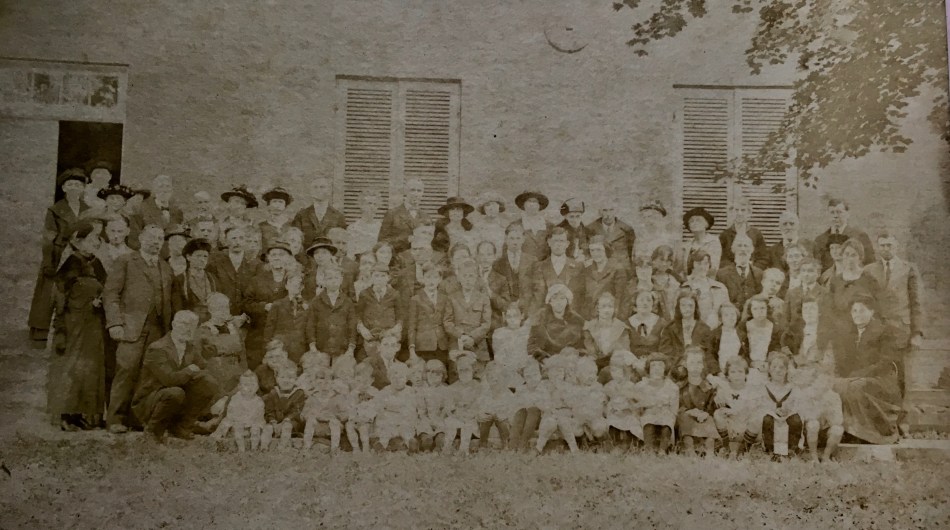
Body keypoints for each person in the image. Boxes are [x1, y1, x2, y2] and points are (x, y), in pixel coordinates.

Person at [103, 224, 174, 433]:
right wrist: (115, 322)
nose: (156, 242)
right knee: (126, 370)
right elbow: (111, 294)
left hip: (157, 329)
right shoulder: (125, 261)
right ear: (141, 238)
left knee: (149, 375)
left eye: (160, 239)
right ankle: (115, 419)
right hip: (130, 327)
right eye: (152, 237)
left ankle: (137, 419)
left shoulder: (165, 267)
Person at [47, 220, 107, 431]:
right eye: (91, 239)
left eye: (97, 239)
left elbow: (105, 289)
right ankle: (64, 415)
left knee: (90, 368)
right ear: (78, 241)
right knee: (70, 367)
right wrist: (61, 327)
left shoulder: (97, 264)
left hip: (93, 324)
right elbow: (60, 298)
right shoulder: (71, 263)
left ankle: (80, 414)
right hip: (74, 326)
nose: (95, 243)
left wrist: (100, 301)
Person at [131, 310, 219, 443]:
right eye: (184, 324)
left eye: (192, 326)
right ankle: (153, 431)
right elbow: (169, 380)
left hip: (175, 395)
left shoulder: (190, 347)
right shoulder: (158, 348)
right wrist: (189, 370)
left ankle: (182, 427)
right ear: (173, 324)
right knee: (175, 392)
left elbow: (202, 366)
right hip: (150, 400)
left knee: (208, 383)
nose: (188, 329)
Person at [830, 295, 903, 444]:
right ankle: (848, 430)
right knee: (837, 385)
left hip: (881, 379)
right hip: (856, 378)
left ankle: (872, 433)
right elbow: (844, 362)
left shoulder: (884, 332)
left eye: (862, 311)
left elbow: (886, 362)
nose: (857, 315)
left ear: (872, 311)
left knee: (855, 386)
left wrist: (858, 375)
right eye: (854, 311)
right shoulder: (850, 334)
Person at [29, 168, 90, 341]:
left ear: (83, 188)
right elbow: (48, 238)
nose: (74, 188)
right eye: (70, 185)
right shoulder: (55, 210)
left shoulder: (88, 210)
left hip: (79, 256)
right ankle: (40, 333)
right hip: (58, 255)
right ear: (63, 188)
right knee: (49, 294)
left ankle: (67, 331)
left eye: (78, 185)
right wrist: (48, 262)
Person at [863, 231, 923, 348]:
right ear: (877, 247)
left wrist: (917, 333)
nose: (886, 249)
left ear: (897, 246)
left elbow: (916, 303)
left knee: (899, 364)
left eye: (889, 245)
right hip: (876, 329)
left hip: (901, 329)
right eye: (882, 245)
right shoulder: (868, 270)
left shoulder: (909, 269)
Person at [243, 239, 296, 369]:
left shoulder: (294, 280)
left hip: (284, 333)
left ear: (288, 258)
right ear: (268, 258)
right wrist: (264, 306)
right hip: (259, 333)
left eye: (281, 254)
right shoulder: (257, 280)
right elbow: (245, 303)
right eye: (274, 255)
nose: (277, 258)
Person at [744, 352, 802, 458]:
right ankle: (769, 449)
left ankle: (791, 450)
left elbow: (798, 406)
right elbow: (757, 407)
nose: (778, 370)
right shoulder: (763, 387)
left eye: (781, 367)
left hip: (787, 423)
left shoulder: (793, 388)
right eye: (774, 367)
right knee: (767, 419)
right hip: (769, 424)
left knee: (796, 419)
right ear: (769, 369)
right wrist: (772, 411)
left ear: (786, 370)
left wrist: (787, 410)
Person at [443, 258, 492, 368]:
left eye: (471, 276)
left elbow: (486, 324)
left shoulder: (483, 298)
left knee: (478, 378)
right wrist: (461, 336)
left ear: (476, 278)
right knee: (457, 378)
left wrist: (472, 337)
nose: (468, 280)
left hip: (478, 346)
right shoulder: (452, 298)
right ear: (459, 278)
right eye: (465, 276)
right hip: (457, 344)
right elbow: (447, 322)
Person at [196, 293, 247, 397]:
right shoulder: (203, 330)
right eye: (220, 308)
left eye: (226, 307)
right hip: (218, 375)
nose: (225, 311)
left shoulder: (234, 328)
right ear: (210, 310)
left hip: (237, 372)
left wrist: (245, 374)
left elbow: (242, 354)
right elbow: (204, 356)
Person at [791, 363, 844, 462]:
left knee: (838, 429)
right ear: (815, 381)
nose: (825, 384)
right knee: (813, 424)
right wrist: (820, 409)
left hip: (825, 432)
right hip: (808, 433)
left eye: (828, 381)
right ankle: (813, 456)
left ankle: (826, 457)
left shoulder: (834, 396)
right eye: (821, 381)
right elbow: (805, 416)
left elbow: (838, 420)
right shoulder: (807, 394)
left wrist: (828, 411)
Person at [827, 239, 882, 334]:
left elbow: (879, 307)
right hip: (840, 331)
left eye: (853, 255)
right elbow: (830, 308)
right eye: (846, 254)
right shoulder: (835, 281)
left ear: (860, 258)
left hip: (864, 331)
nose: (849, 259)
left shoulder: (869, 279)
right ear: (842, 256)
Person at [305, 264, 358, 361]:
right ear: (324, 281)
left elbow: (352, 325)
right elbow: (310, 324)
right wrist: (313, 347)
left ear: (341, 280)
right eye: (329, 278)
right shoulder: (316, 301)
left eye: (336, 278)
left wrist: (350, 349)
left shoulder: (347, 301)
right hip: (321, 349)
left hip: (342, 350)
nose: (333, 281)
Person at [529, 227, 586, 316]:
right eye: (555, 241)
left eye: (561, 241)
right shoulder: (539, 267)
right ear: (549, 242)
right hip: (546, 318)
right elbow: (538, 297)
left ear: (567, 244)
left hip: (571, 318)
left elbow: (579, 296)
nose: (558, 244)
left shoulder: (578, 266)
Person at [207, 226, 261, 315]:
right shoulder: (215, 262)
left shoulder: (256, 264)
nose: (237, 242)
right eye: (233, 238)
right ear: (226, 241)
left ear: (245, 241)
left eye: (241, 238)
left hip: (248, 316)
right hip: (222, 314)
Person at [677, 347, 719, 456]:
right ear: (685, 364)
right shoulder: (681, 386)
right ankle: (689, 450)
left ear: (703, 365)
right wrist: (689, 411)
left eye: (698, 362)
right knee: (684, 418)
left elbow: (711, 405)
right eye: (692, 362)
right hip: (687, 415)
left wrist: (706, 413)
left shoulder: (707, 386)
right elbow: (678, 404)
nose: (695, 366)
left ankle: (710, 451)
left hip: (702, 417)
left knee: (709, 420)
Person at [709, 356, 754, 458]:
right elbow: (715, 384)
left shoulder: (750, 389)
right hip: (731, 429)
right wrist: (718, 399)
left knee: (757, 418)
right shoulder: (724, 388)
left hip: (745, 427)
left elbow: (751, 409)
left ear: (746, 374)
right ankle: (726, 445)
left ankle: (744, 448)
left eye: (740, 372)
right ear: (727, 375)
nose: (736, 376)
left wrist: (735, 411)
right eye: (733, 372)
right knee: (717, 414)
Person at [210, 370, 266, 452]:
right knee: (235, 427)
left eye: (253, 385)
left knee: (256, 429)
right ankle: (241, 449)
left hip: (252, 424)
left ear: (257, 387)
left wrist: (250, 423)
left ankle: (254, 449)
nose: (250, 388)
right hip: (237, 423)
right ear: (239, 387)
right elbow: (231, 414)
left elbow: (258, 416)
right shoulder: (236, 399)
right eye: (246, 385)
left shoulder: (259, 401)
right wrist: (240, 422)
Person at [634, 353, 679, 454]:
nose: (657, 369)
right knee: (648, 424)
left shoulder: (672, 387)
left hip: (665, 413)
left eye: (660, 366)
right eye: (653, 366)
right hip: (649, 413)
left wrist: (670, 415)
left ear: (665, 369)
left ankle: (663, 450)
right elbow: (637, 405)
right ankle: (649, 449)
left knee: (667, 424)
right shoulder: (641, 386)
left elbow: (674, 409)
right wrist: (645, 406)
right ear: (648, 369)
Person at [814, 198, 875, 271]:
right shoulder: (820, 240)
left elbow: (870, 265)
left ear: (848, 214)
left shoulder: (859, 236)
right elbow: (817, 267)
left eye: (839, 212)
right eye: (832, 212)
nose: (835, 216)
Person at [528, 284, 585, 362]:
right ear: (550, 301)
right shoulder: (541, 317)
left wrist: (573, 357)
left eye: (562, 298)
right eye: (555, 298)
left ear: (567, 301)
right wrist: (544, 360)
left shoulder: (576, 320)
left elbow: (582, 346)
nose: (559, 302)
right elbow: (532, 345)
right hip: (546, 361)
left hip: (570, 360)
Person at [489, 223, 533, 325]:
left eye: (518, 238)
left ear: (523, 239)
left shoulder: (532, 261)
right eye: (512, 238)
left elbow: (535, 287)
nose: (515, 242)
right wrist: (507, 306)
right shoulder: (497, 263)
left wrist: (523, 304)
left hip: (526, 307)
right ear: (506, 239)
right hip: (504, 310)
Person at [658, 291, 711, 374]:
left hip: (698, 369)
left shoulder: (704, 328)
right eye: (683, 305)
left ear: (695, 307)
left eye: (690, 306)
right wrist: (679, 364)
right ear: (678, 307)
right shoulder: (670, 328)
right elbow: (665, 351)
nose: (687, 309)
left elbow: (708, 353)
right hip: (675, 369)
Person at [407, 262, 448, 365]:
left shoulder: (445, 298)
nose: (431, 281)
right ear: (423, 278)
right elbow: (412, 326)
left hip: (442, 346)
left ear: (440, 279)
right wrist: (412, 349)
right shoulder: (416, 299)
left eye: (435, 277)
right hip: (423, 346)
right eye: (428, 277)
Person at [263, 273, 310, 363]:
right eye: (292, 283)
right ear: (286, 286)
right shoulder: (277, 304)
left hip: (299, 349)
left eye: (298, 284)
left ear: (302, 287)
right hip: (280, 349)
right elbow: (269, 328)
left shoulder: (307, 306)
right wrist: (267, 349)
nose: (295, 286)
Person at [582, 292, 630, 377]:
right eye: (603, 306)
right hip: (595, 364)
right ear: (597, 308)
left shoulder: (621, 328)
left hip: (616, 366)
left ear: (614, 308)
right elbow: (590, 351)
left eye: (610, 306)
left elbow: (623, 350)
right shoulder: (589, 327)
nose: (607, 310)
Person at [579, 235, 627, 320]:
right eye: (592, 250)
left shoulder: (617, 269)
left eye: (599, 250)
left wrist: (614, 317)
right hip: (589, 317)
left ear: (606, 250)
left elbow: (619, 297)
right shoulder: (587, 270)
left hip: (609, 316)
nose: (595, 253)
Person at [379, 177, 429, 254]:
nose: (416, 194)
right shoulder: (392, 214)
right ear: (405, 192)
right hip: (398, 261)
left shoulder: (426, 217)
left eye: (419, 191)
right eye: (412, 190)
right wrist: (406, 239)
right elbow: (382, 243)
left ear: (422, 193)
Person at [171, 238, 217, 323]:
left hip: (211, 324)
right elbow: (178, 309)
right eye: (198, 256)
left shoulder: (212, 279)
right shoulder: (181, 280)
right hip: (189, 324)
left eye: (205, 256)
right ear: (189, 257)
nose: (202, 259)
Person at [682, 250, 729, 329]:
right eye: (699, 264)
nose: (702, 267)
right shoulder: (685, 288)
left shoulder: (720, 288)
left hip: (716, 331)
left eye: (706, 263)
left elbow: (727, 312)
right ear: (692, 265)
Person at [716, 234, 763, 314]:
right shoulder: (722, 274)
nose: (742, 249)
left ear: (751, 250)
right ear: (733, 250)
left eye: (746, 246)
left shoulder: (759, 273)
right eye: (739, 246)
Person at [718, 195, 768, 268]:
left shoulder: (756, 234)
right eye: (736, 210)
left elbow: (763, 258)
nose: (739, 213)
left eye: (743, 210)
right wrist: (734, 269)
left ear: (749, 213)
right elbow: (721, 258)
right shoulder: (725, 235)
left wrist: (753, 269)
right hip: (731, 273)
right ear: (732, 212)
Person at [509, 190, 553, 269]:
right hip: (522, 269)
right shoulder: (515, 225)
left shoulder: (549, 226)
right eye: (529, 201)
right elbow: (508, 250)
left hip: (545, 269)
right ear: (524, 204)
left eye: (535, 202)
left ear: (539, 205)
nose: (532, 205)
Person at [585, 202, 636, 269]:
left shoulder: (627, 229)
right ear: (599, 212)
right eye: (605, 210)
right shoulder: (590, 229)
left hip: (621, 269)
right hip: (600, 269)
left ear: (616, 211)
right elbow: (587, 252)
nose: (608, 214)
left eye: (611, 210)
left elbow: (631, 253)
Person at [510, 360, 545, 451]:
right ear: (524, 377)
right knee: (520, 411)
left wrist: (533, 404)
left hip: (540, 419)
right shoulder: (521, 389)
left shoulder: (542, 387)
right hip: (525, 419)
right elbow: (516, 404)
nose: (532, 379)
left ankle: (523, 443)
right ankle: (512, 445)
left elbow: (545, 405)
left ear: (540, 375)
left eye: (535, 375)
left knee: (533, 409)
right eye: (528, 376)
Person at [742, 295, 783, 370]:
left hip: (768, 366)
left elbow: (777, 348)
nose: (759, 312)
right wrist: (750, 363)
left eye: (762, 308)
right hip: (748, 366)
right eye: (755, 309)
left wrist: (769, 362)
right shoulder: (744, 327)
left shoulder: (775, 328)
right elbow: (741, 351)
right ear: (750, 310)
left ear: (767, 309)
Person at [704, 304, 745, 376]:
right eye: (726, 315)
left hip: (738, 372)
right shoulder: (714, 335)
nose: (730, 317)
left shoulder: (742, 334)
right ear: (721, 318)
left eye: (733, 314)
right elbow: (709, 355)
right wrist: (718, 372)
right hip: (720, 372)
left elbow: (745, 354)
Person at [681, 207, 721, 278]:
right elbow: (684, 269)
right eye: (691, 221)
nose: (694, 223)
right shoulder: (687, 245)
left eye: (698, 220)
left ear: (706, 224)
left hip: (709, 281)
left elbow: (714, 268)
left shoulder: (714, 242)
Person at [627, 289, 667, 360]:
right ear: (635, 303)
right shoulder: (627, 324)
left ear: (653, 304)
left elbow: (664, 349)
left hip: (655, 363)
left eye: (648, 300)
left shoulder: (661, 323)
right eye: (641, 300)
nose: (645, 303)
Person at [216, 185, 258, 249]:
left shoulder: (251, 225)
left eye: (243, 203)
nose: (239, 206)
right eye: (236, 202)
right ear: (229, 204)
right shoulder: (220, 225)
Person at [346, 189, 383, 259]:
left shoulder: (381, 227)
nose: (372, 207)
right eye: (369, 203)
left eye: (375, 204)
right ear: (361, 205)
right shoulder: (353, 228)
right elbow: (350, 253)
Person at [258, 186, 294, 253]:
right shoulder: (261, 226)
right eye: (274, 202)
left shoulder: (293, 224)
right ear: (269, 205)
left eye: (280, 202)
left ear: (285, 206)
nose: (277, 205)